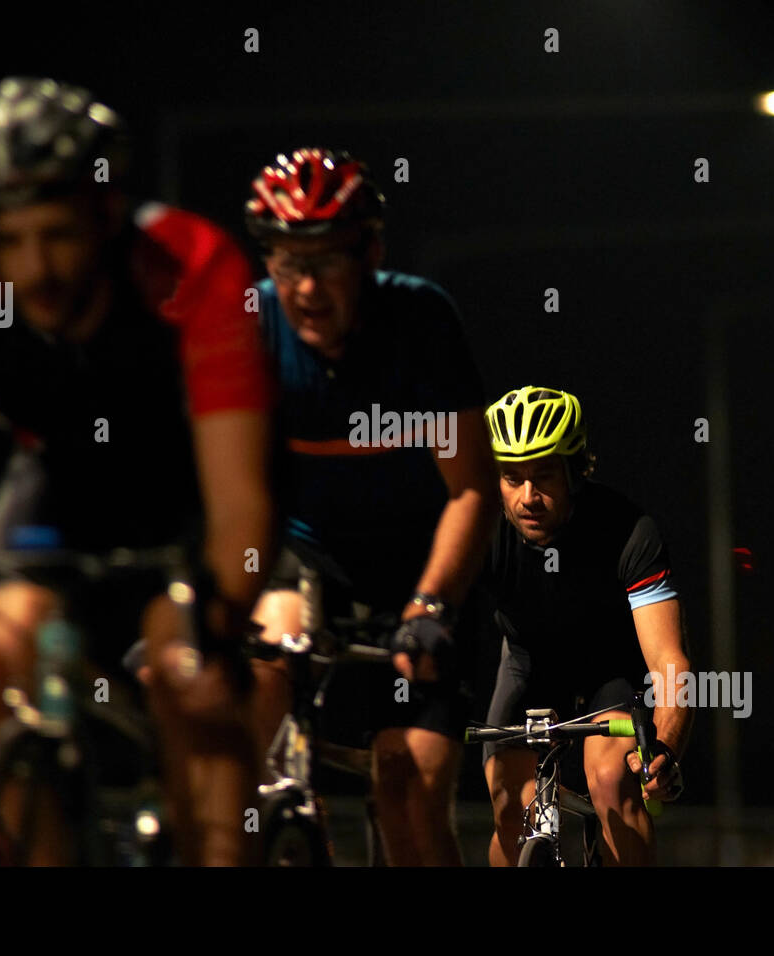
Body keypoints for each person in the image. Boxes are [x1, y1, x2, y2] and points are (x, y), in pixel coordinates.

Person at [0, 77, 274, 866]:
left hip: (190, 499)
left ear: (107, 217)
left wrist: (210, 613)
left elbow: (241, 499)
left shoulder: (192, 266)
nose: (35, 271)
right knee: (3, 641)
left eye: (59, 236)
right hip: (63, 495)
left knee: (187, 674)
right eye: (11, 241)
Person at [244, 147, 499, 866]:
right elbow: (228, 487)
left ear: (371, 254)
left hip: (421, 569)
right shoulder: (253, 322)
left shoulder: (420, 321)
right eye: (287, 262)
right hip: (308, 556)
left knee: (406, 790)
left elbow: (473, 489)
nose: (306, 287)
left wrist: (432, 609)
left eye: (326, 261)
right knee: (252, 686)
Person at [480, 385, 692, 866]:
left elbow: (669, 659)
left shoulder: (629, 530)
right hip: (528, 669)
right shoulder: (483, 528)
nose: (528, 497)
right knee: (511, 809)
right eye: (512, 478)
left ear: (575, 471)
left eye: (544, 476)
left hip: (609, 673)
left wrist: (665, 748)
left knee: (612, 783)